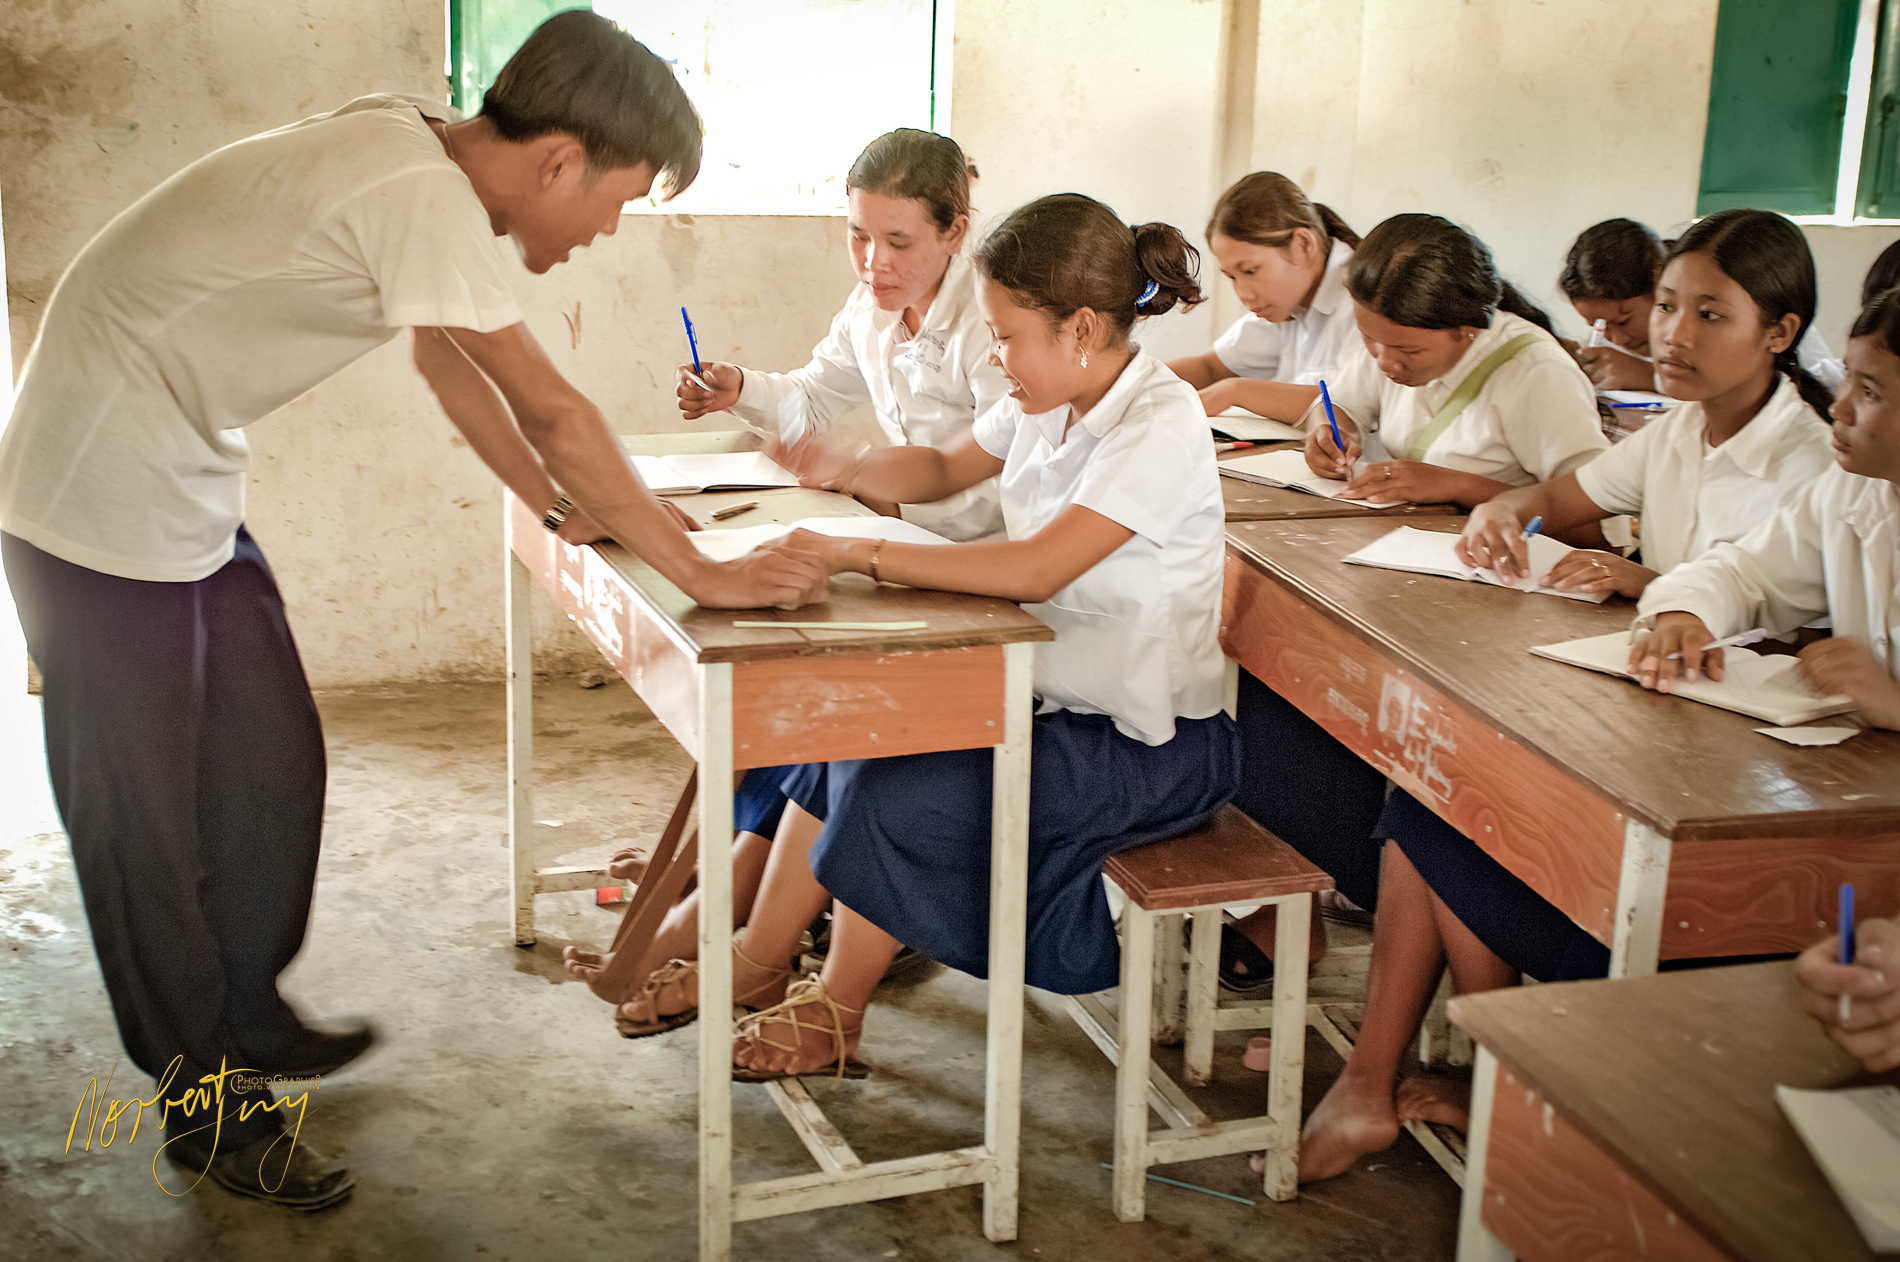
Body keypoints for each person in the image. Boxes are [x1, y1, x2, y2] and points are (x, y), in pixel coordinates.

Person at [0, 12, 824, 1209]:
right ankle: (205, 1104)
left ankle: (246, 1010)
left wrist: (562, 506)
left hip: (179, 468)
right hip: (89, 492)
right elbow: (547, 404)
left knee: (265, 763)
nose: (603, 232)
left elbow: (449, 363)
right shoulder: (417, 192)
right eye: (615, 201)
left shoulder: (422, 153)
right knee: (143, 825)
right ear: (557, 160)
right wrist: (700, 570)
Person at [1457, 208, 1836, 600]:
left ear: (1779, 332)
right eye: (1666, 307)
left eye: (1709, 315)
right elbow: (1554, 500)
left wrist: (1653, 585)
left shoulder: (1816, 469)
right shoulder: (1677, 433)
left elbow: (1813, 638)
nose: (1675, 335)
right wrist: (1500, 511)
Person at [1166, 172, 1362, 421]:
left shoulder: (1364, 300)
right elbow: (1212, 368)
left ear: (1302, 244)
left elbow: (1354, 403)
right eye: (1232, 277)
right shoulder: (1287, 301)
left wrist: (1236, 391)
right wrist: (1137, 382)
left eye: (1250, 271)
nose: (1243, 294)